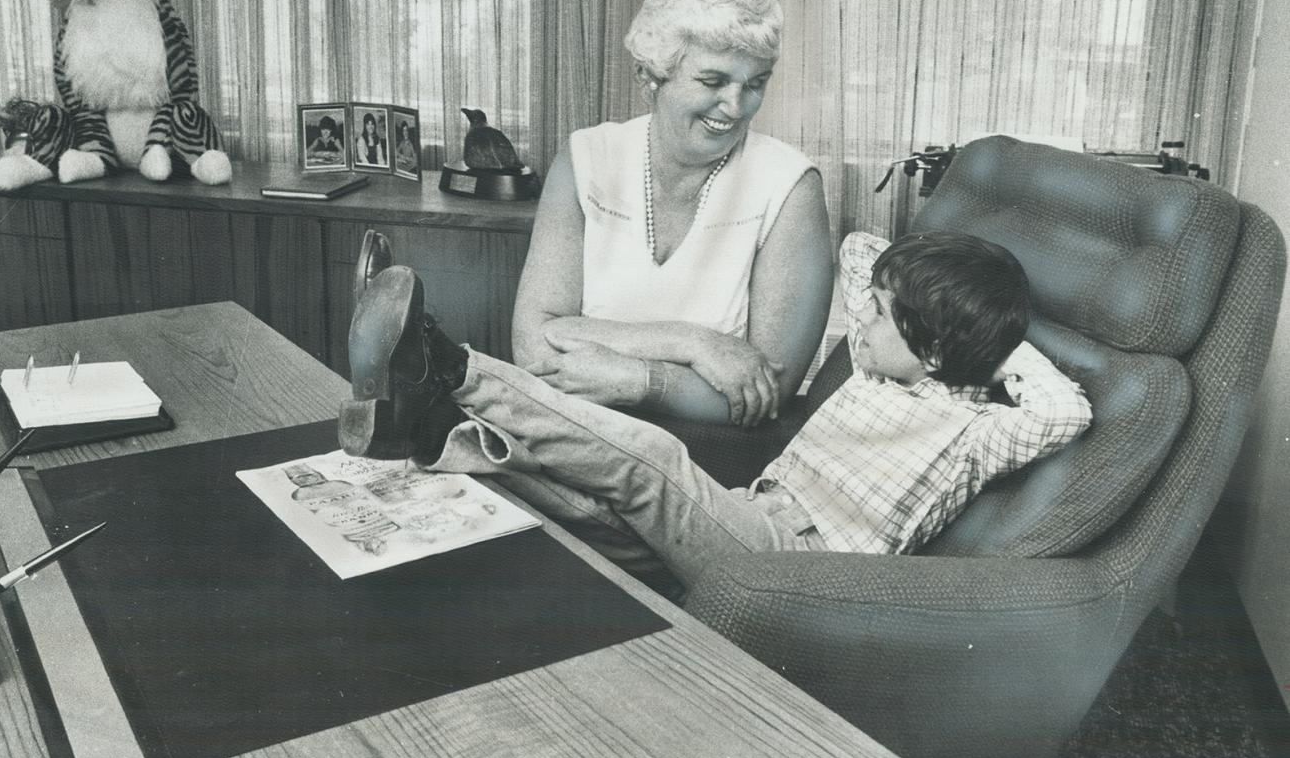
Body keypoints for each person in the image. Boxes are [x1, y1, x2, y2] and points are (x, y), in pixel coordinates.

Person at [339, 230, 1092, 593]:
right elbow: (860, 250)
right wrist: (920, 304)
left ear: (932, 348)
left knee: (653, 467)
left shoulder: (975, 434)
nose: (860, 320)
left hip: (799, 571)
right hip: (743, 516)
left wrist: (993, 346)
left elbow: (1064, 414)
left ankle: (448, 365)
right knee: (585, 509)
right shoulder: (876, 369)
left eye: (883, 316)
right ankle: (431, 428)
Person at [513, 0, 834, 429]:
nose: (736, 106)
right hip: (576, 430)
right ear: (650, 74)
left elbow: (765, 392)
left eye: (756, 83)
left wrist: (636, 380)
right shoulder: (585, 160)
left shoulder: (789, 187)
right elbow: (534, 346)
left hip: (713, 457)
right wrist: (694, 344)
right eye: (713, 80)